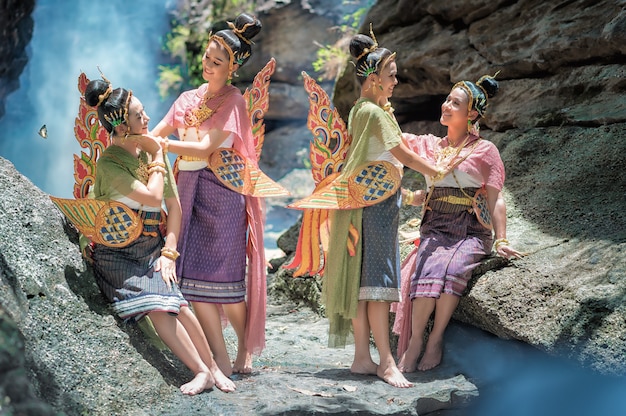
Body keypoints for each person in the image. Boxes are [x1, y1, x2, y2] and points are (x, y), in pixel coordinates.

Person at [82, 76, 236, 394]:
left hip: (152, 246)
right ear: (122, 127)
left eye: (144, 111)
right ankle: (200, 371)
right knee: (158, 304)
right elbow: (152, 198)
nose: (148, 119)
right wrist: (156, 156)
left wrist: (169, 251)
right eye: (139, 116)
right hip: (119, 253)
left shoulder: (149, 150)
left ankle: (212, 368)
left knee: (177, 303)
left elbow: (174, 208)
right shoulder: (111, 164)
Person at [317, 28, 446, 388]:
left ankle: (363, 357)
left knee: (363, 286)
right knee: (378, 285)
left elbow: (374, 167)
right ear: (373, 79)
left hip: (369, 205)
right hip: (375, 212)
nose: (396, 80)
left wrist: (407, 196)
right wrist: (436, 170)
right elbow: (401, 154)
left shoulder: (362, 110)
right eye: (391, 75)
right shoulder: (373, 113)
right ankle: (387, 362)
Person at [150, 13, 266, 376]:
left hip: (224, 196)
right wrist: (136, 143)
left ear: (232, 68)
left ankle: (244, 350)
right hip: (188, 193)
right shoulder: (187, 97)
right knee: (197, 283)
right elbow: (159, 130)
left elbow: (203, 148)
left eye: (217, 62)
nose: (208, 65)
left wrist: (162, 145)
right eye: (206, 57)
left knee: (229, 281)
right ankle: (219, 357)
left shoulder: (234, 102)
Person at [395, 74, 523, 373]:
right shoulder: (428, 146)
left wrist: (501, 239)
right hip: (436, 225)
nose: (446, 105)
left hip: (471, 229)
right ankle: (415, 342)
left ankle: (435, 339)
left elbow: (496, 199)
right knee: (428, 269)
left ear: (472, 114)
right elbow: (390, 138)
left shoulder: (485, 150)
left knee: (452, 270)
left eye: (456, 102)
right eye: (447, 99)